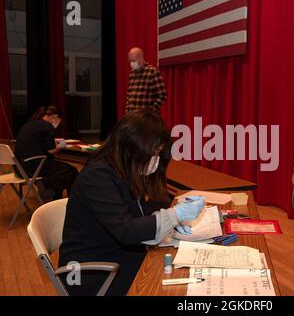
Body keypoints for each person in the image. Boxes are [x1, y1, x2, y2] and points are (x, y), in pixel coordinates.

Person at [59, 109, 205, 296]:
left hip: (116, 257)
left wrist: (173, 217)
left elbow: (139, 212)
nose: (155, 159)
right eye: (153, 153)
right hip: (91, 272)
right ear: (133, 146)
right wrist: (175, 215)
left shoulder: (122, 170)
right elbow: (127, 230)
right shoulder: (97, 177)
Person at [14, 106, 78, 200]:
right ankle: (49, 186)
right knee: (71, 171)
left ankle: (54, 195)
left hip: (19, 167)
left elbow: (37, 141)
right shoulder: (47, 126)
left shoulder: (30, 124)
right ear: (55, 117)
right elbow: (51, 150)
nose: (58, 123)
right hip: (34, 167)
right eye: (59, 120)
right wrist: (61, 146)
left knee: (60, 170)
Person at [126, 47, 167, 115]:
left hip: (148, 119)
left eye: (133, 60)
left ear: (141, 59)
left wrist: (150, 112)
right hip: (133, 118)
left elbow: (162, 95)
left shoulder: (152, 71)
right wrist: (127, 110)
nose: (131, 63)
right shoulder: (132, 74)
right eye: (130, 61)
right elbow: (129, 96)